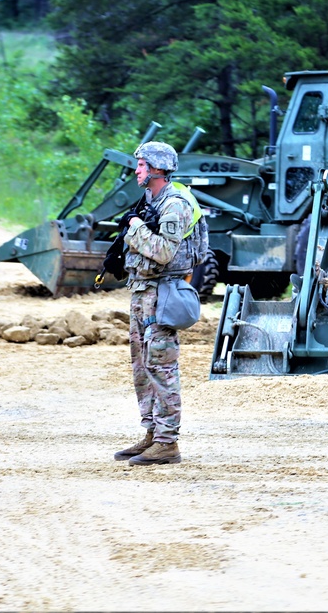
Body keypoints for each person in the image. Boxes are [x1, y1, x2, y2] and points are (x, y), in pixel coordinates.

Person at [113, 141, 208, 466]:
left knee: (162, 367)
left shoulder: (175, 204)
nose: (136, 170)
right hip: (142, 292)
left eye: (140, 165)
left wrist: (135, 229)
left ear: (155, 169)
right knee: (142, 368)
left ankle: (168, 443)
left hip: (162, 295)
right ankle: (152, 433)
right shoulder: (150, 200)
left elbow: (165, 252)